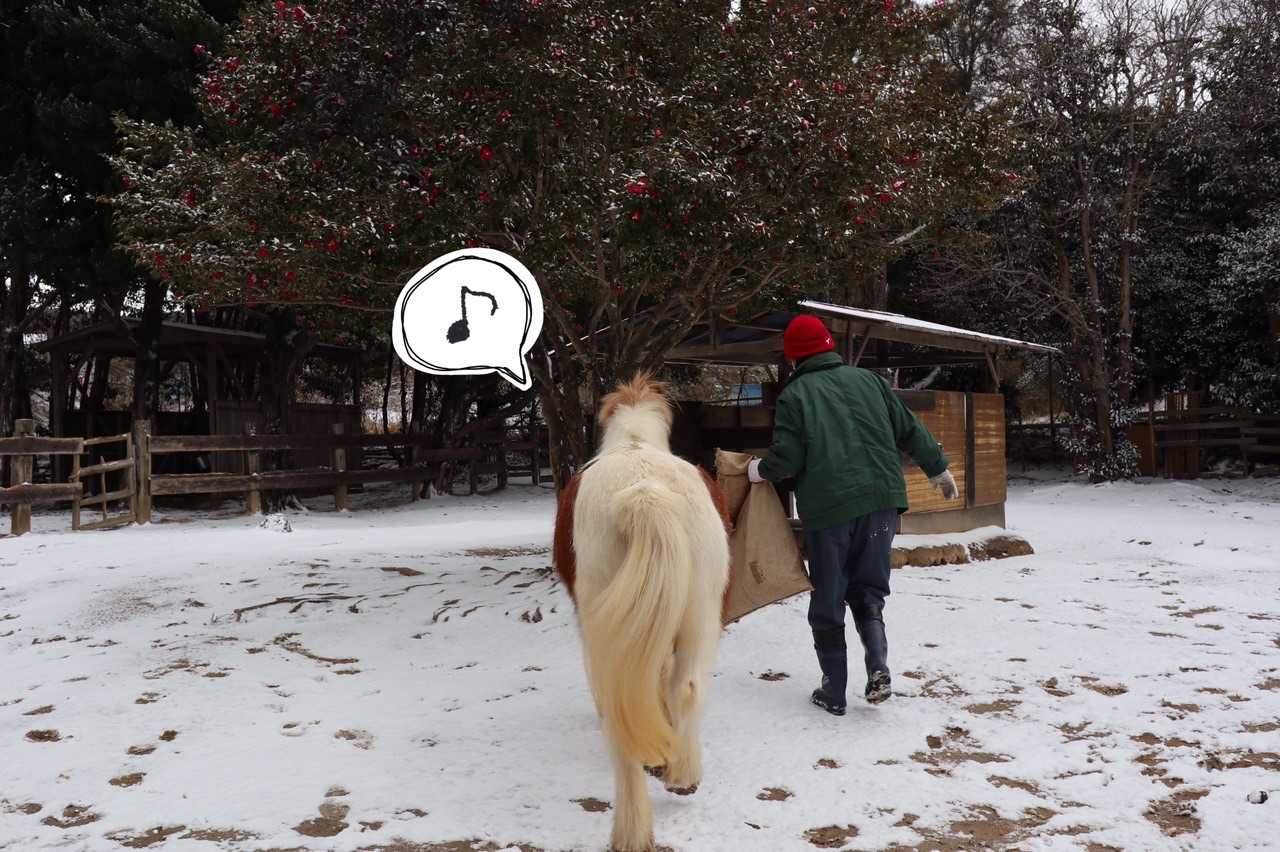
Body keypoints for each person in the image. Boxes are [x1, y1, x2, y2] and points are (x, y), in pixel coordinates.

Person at [748, 314, 958, 715]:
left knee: (829, 598)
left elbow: (788, 458)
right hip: (882, 502)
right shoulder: (870, 381)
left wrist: (760, 470)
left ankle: (834, 690)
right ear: (830, 346)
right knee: (869, 591)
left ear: (794, 357)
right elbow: (909, 428)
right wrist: (937, 468)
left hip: (831, 509)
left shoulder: (796, 395)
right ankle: (878, 666)